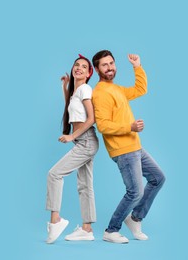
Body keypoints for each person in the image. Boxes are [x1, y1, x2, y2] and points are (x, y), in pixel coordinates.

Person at [91, 50, 165, 244]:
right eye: (105, 65)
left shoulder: (116, 89)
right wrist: (130, 127)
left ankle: (135, 218)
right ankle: (111, 230)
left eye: (112, 63)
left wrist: (137, 66)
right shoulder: (100, 93)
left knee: (158, 178)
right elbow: (103, 125)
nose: (110, 67)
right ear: (97, 69)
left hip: (135, 146)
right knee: (135, 192)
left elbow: (140, 90)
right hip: (123, 150)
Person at [45, 54, 99, 244]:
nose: (79, 68)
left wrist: (71, 136)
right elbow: (71, 107)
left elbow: (91, 119)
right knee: (85, 186)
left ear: (89, 73)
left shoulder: (85, 89)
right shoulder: (77, 91)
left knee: (54, 174)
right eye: (76, 65)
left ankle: (55, 220)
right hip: (84, 142)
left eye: (84, 67)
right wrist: (64, 87)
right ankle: (87, 229)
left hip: (86, 141)